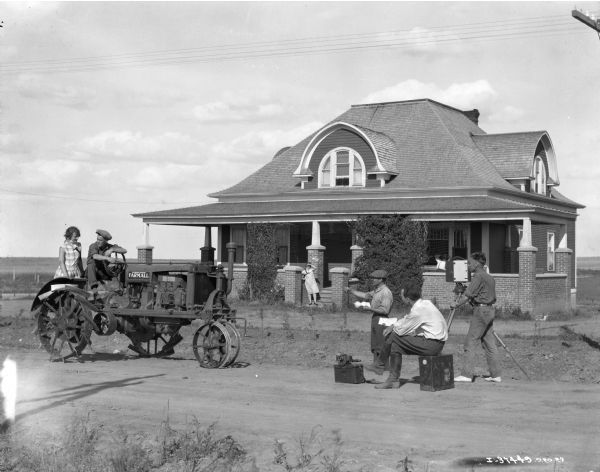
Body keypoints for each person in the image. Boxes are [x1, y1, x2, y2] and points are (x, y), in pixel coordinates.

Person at [374, 281, 448, 389]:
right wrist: (394, 326)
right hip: (435, 343)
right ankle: (392, 380)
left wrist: (392, 327)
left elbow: (402, 330)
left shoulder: (418, 311)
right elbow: (407, 319)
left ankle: (379, 365)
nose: (400, 297)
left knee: (393, 335)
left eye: (401, 295)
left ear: (407, 299)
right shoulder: (425, 303)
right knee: (395, 345)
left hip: (432, 345)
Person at [451, 251, 502, 383]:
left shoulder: (478, 276)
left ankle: (466, 374)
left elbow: (467, 296)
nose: (468, 265)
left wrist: (455, 304)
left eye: (470, 262)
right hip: (489, 310)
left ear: (477, 263)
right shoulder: (489, 277)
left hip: (481, 311)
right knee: (489, 343)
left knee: (470, 341)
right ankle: (496, 375)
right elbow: (480, 293)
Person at [344, 269, 393, 372]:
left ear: (381, 280)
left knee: (381, 343)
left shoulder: (386, 292)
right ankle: (377, 365)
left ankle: (383, 367)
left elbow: (385, 310)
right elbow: (366, 295)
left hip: (382, 319)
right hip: (376, 317)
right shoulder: (376, 290)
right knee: (375, 343)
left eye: (375, 278)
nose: (373, 280)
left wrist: (370, 308)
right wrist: (351, 291)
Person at [86, 229, 126, 296]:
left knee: (118, 266)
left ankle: (121, 288)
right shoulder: (93, 246)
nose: (98, 241)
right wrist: (107, 258)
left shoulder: (109, 246)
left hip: (103, 272)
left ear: (105, 241)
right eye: (97, 239)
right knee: (91, 264)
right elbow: (95, 256)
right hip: (92, 272)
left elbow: (124, 250)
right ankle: (94, 289)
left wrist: (112, 249)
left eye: (100, 240)